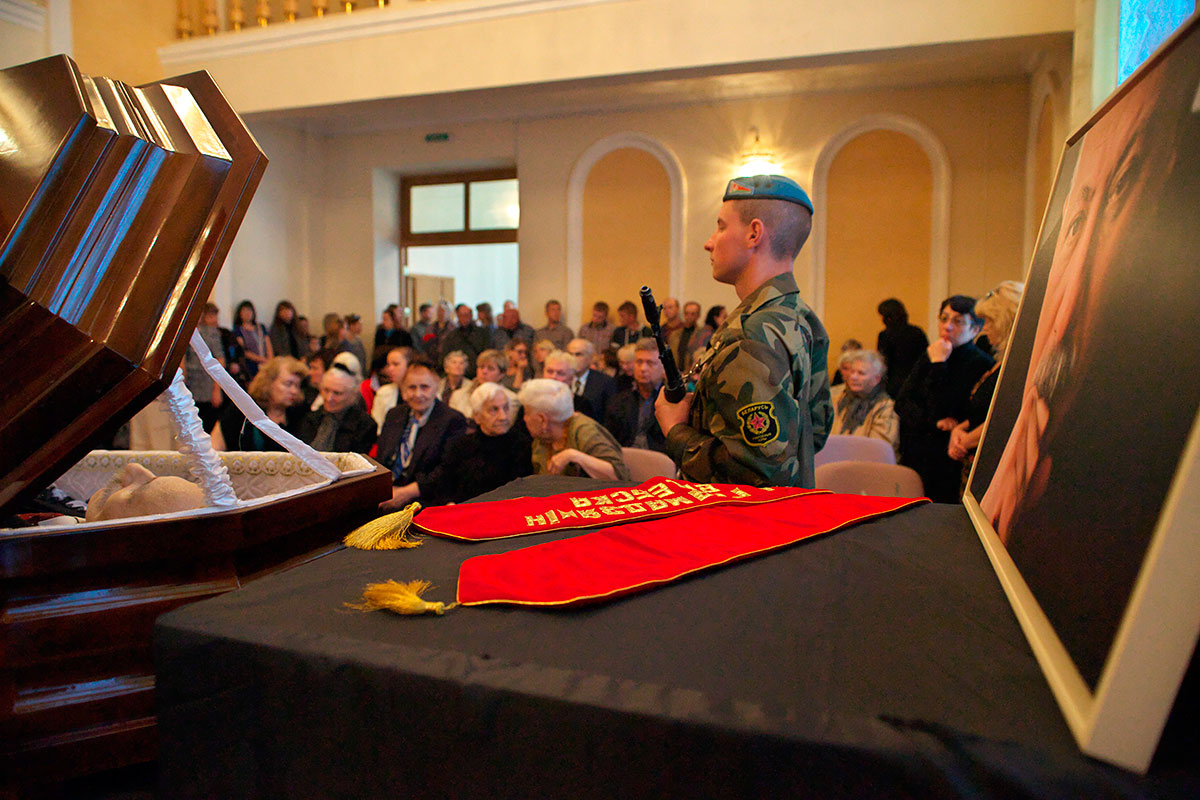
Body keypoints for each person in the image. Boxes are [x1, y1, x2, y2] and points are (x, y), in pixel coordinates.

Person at [655, 174, 831, 488]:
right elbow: (814, 431)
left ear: (754, 234)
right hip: (790, 519)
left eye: (721, 226)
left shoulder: (751, 333)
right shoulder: (799, 316)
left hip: (741, 527)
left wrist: (675, 431)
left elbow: (755, 474)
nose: (709, 241)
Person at [895, 295, 994, 502]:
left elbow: (948, 408)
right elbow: (902, 402)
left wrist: (939, 365)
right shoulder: (930, 354)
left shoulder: (981, 363)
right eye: (943, 318)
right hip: (918, 451)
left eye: (957, 322)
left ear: (975, 330)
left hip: (949, 460)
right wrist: (933, 422)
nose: (947, 327)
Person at [415, 382, 534, 505]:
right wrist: (449, 504)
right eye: (494, 410)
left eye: (506, 408)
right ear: (477, 416)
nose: (503, 416)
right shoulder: (461, 445)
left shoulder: (522, 445)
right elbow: (445, 484)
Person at [948, 281, 1024, 469]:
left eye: (989, 321)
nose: (984, 328)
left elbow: (1007, 419)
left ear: (1005, 322)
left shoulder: (1020, 366)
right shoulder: (1001, 361)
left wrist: (965, 441)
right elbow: (984, 413)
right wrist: (960, 428)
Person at [376, 362, 469, 510]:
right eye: (412, 387)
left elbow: (446, 470)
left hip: (424, 496)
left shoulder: (452, 420)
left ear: (435, 389)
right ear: (404, 391)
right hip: (387, 490)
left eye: (424, 387)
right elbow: (381, 459)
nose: (418, 394)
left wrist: (405, 493)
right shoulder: (394, 414)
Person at [519, 379, 630, 480]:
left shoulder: (584, 431)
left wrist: (575, 456)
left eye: (526, 413)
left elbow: (619, 475)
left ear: (543, 420)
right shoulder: (542, 437)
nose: (524, 419)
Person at [212, 356, 308, 451]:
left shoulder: (300, 414)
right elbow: (214, 449)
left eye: (297, 386)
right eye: (288, 384)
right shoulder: (242, 410)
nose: (294, 391)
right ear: (269, 383)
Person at [829, 349, 899, 454]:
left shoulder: (885, 407)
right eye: (852, 372)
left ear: (876, 379)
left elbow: (879, 450)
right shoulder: (837, 400)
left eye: (861, 373)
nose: (853, 377)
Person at [605, 338, 667, 453]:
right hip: (625, 461)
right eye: (639, 362)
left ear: (664, 368)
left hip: (660, 464)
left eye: (650, 363)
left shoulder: (673, 402)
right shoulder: (619, 400)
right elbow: (609, 440)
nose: (643, 369)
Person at [298, 363, 377, 454]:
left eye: (337, 393)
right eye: (326, 390)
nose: (329, 398)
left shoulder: (364, 425)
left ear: (352, 395)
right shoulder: (310, 418)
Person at [184, 302, 226, 432]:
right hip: (190, 386)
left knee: (209, 427)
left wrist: (217, 389)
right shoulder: (183, 334)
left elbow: (220, 359)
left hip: (208, 385)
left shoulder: (210, 333)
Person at [876, 298, 929, 399]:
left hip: (894, 384)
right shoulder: (917, 332)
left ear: (888, 317)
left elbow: (883, 362)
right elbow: (926, 357)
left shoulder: (885, 335)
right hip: (917, 382)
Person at [566, 338, 617, 422]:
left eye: (578, 354)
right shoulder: (561, 378)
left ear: (590, 358)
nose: (573, 359)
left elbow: (610, 417)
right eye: (570, 354)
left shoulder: (605, 382)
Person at [439, 304, 491, 378]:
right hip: (457, 374)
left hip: (476, 373)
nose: (464, 318)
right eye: (461, 315)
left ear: (471, 316)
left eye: (466, 315)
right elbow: (446, 355)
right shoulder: (452, 336)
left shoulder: (482, 334)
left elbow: (486, 354)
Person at [370, 346, 413, 433]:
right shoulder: (383, 392)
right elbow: (377, 427)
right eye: (388, 365)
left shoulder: (425, 394)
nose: (390, 369)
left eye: (396, 364)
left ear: (410, 365)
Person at [234, 300, 273, 381]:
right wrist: (261, 359)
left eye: (249, 310)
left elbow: (268, 344)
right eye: (244, 311)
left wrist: (269, 360)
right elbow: (244, 351)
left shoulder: (261, 327)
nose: (247, 313)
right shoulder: (238, 330)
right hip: (250, 366)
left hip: (266, 365)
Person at [667, 301, 702, 372]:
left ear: (698, 316)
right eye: (686, 313)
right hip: (676, 372)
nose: (689, 317)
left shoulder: (701, 335)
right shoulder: (675, 334)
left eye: (692, 314)